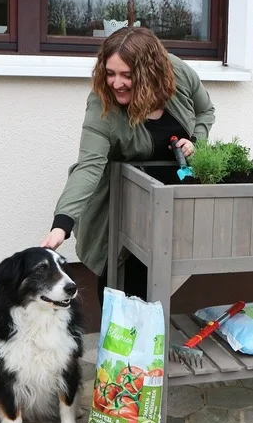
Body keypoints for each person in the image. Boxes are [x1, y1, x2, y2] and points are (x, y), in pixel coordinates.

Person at [40, 26, 216, 306]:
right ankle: (120, 344)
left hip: (169, 198)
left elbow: (206, 110)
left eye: (127, 75)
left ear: (150, 73)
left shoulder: (178, 73)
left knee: (160, 274)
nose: (115, 83)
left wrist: (195, 140)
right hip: (122, 204)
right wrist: (62, 224)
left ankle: (150, 340)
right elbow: (89, 166)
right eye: (110, 73)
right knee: (118, 277)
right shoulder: (102, 104)